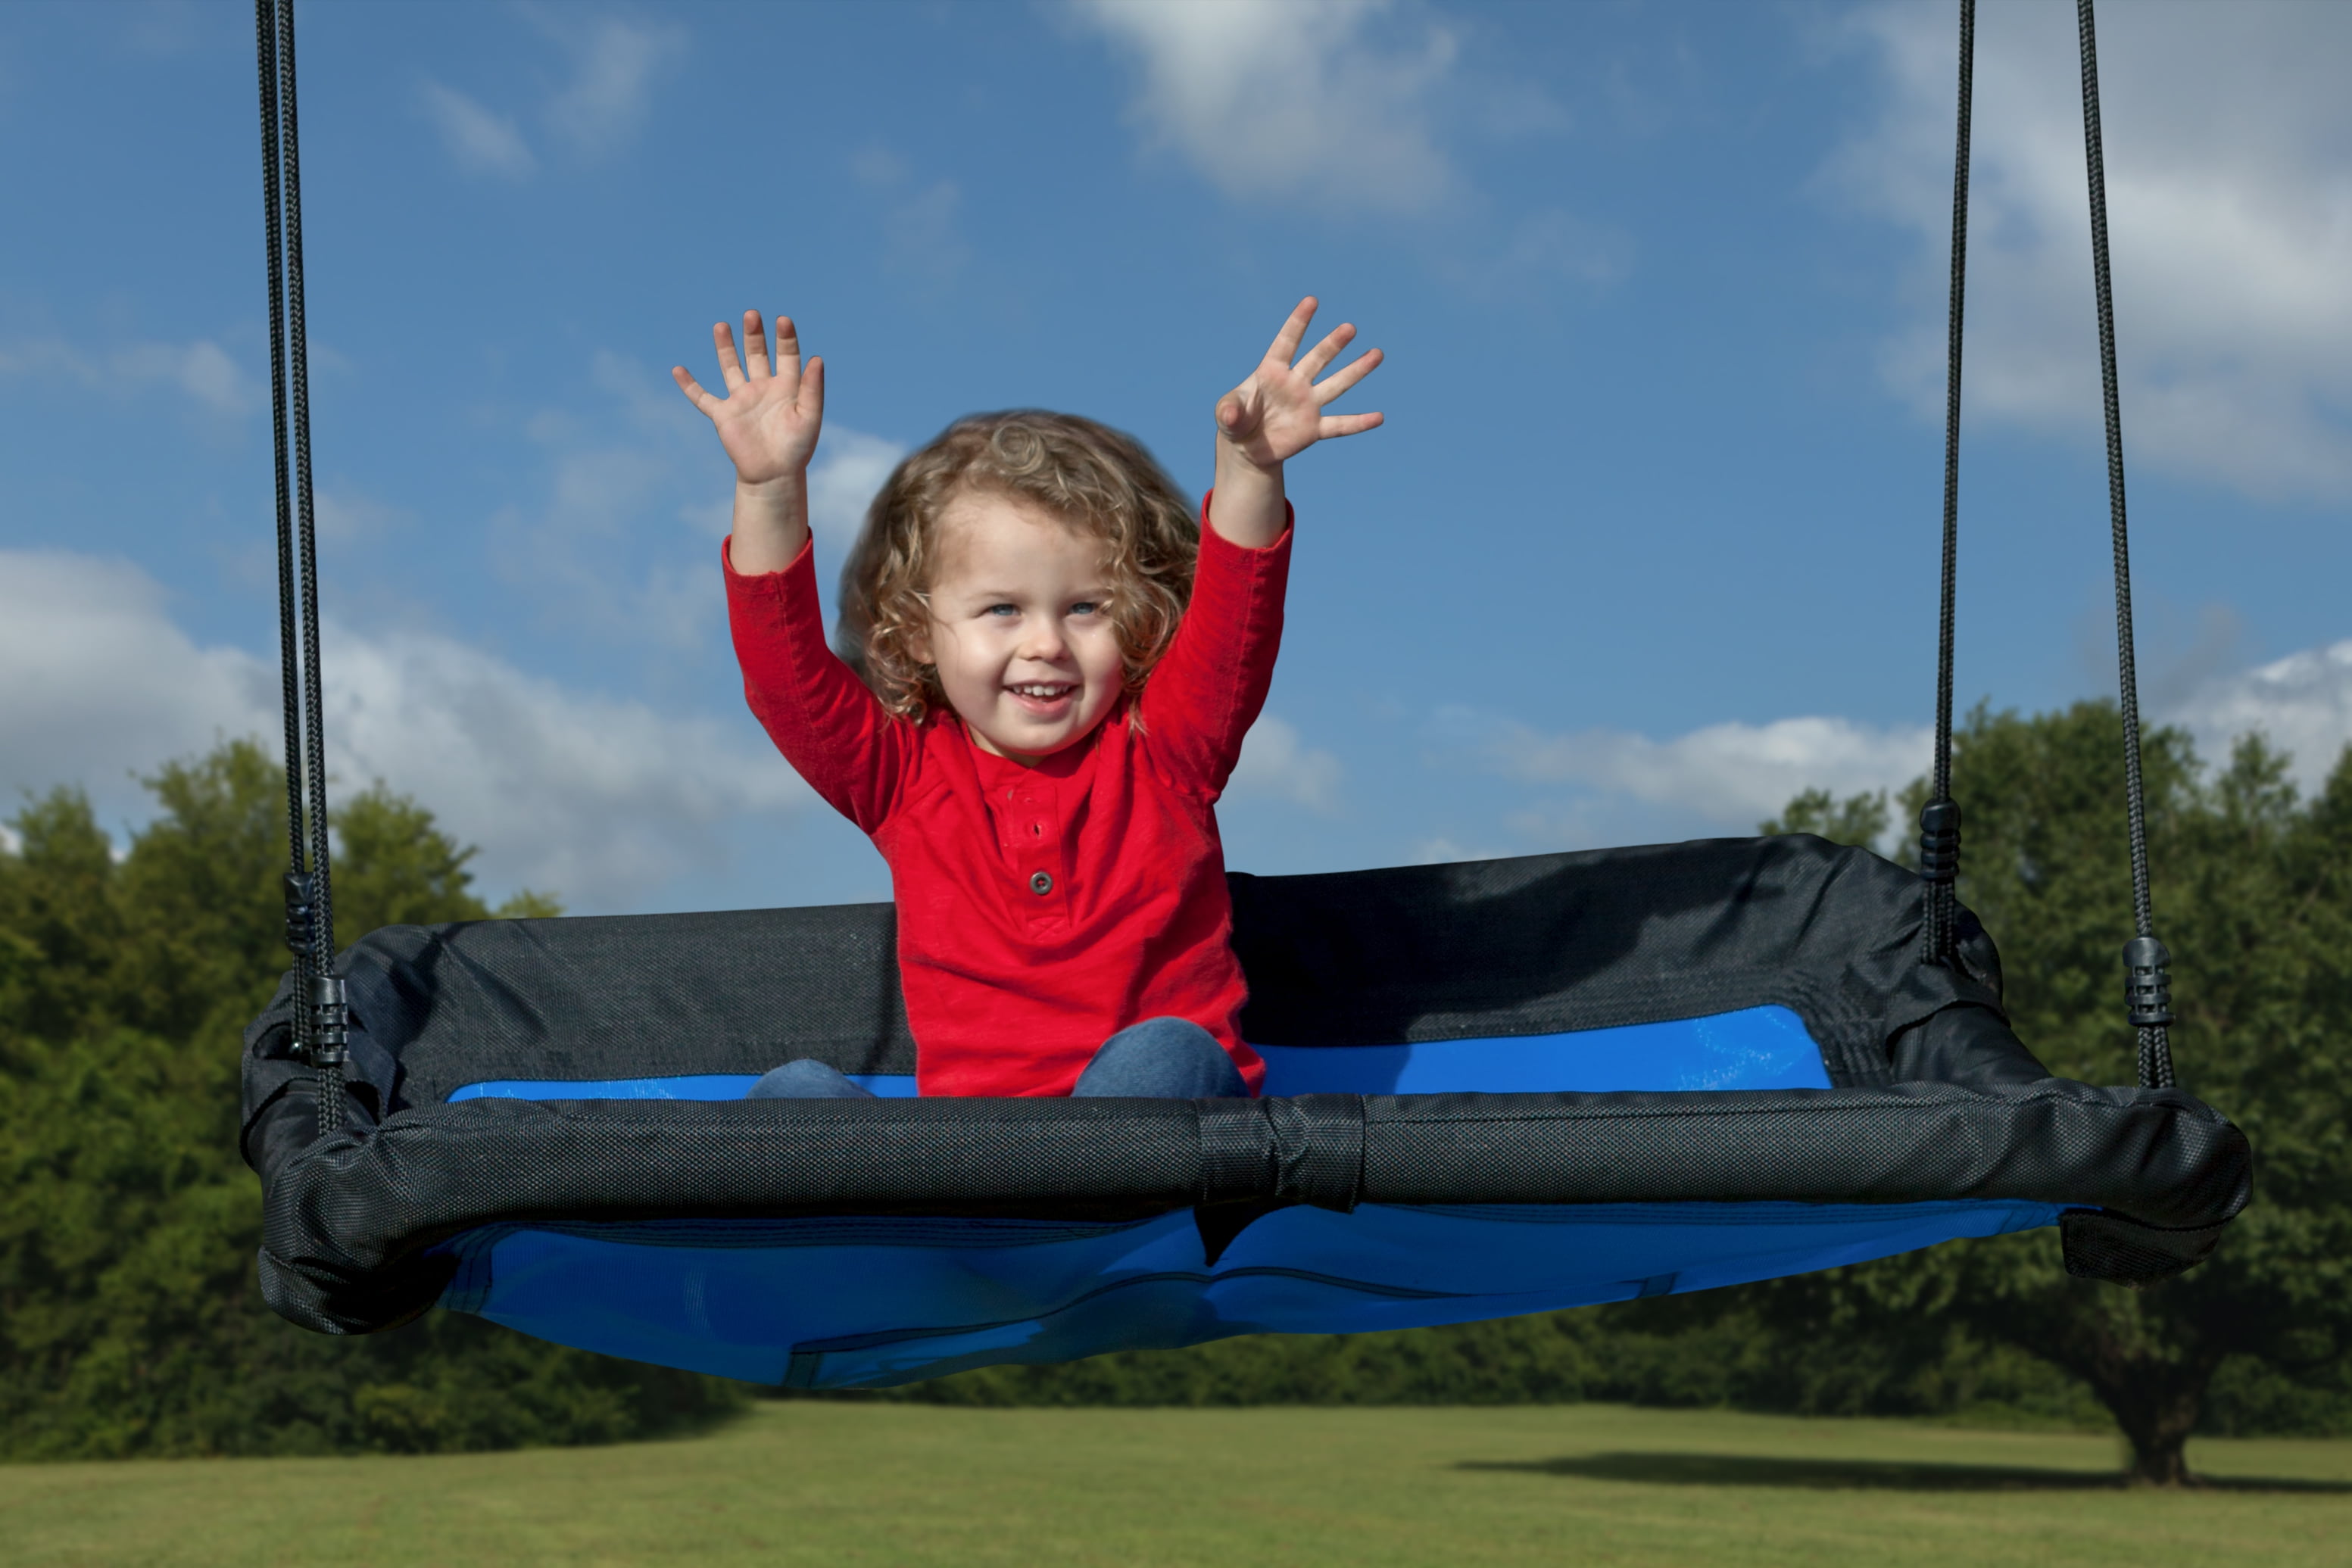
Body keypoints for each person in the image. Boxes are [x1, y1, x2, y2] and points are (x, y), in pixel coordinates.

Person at [674, 299, 1382, 1098]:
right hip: (981, 1159)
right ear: (918, 631)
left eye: (1084, 608)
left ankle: (1096, 1172)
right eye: (1003, 609)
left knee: (1163, 1054)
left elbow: (1234, 628)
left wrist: (1250, 470)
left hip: (1158, 1145)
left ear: (1136, 619)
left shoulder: (1168, 747)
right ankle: (924, 1198)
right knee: (795, 1093)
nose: (1046, 642)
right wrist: (769, 487)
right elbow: (785, 675)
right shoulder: (901, 779)